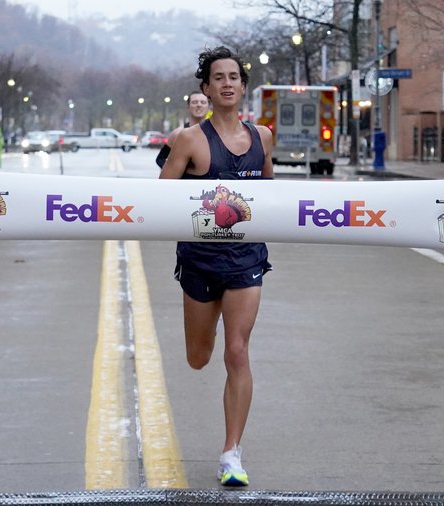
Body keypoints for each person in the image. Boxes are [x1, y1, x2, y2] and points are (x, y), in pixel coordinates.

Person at [159, 46, 274, 487]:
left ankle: (231, 453)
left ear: (243, 87)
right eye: (218, 77)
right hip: (199, 261)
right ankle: (199, 348)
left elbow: (270, 196)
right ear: (205, 88)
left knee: (238, 350)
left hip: (246, 260)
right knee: (198, 357)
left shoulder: (262, 137)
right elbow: (159, 200)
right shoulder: (189, 140)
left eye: (234, 77)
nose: (227, 83)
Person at [155, 90, 210, 168]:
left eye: (203, 102)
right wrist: (175, 174)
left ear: (208, 106)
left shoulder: (216, 132)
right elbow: (160, 159)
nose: (199, 105)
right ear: (187, 107)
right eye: (194, 102)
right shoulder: (177, 134)